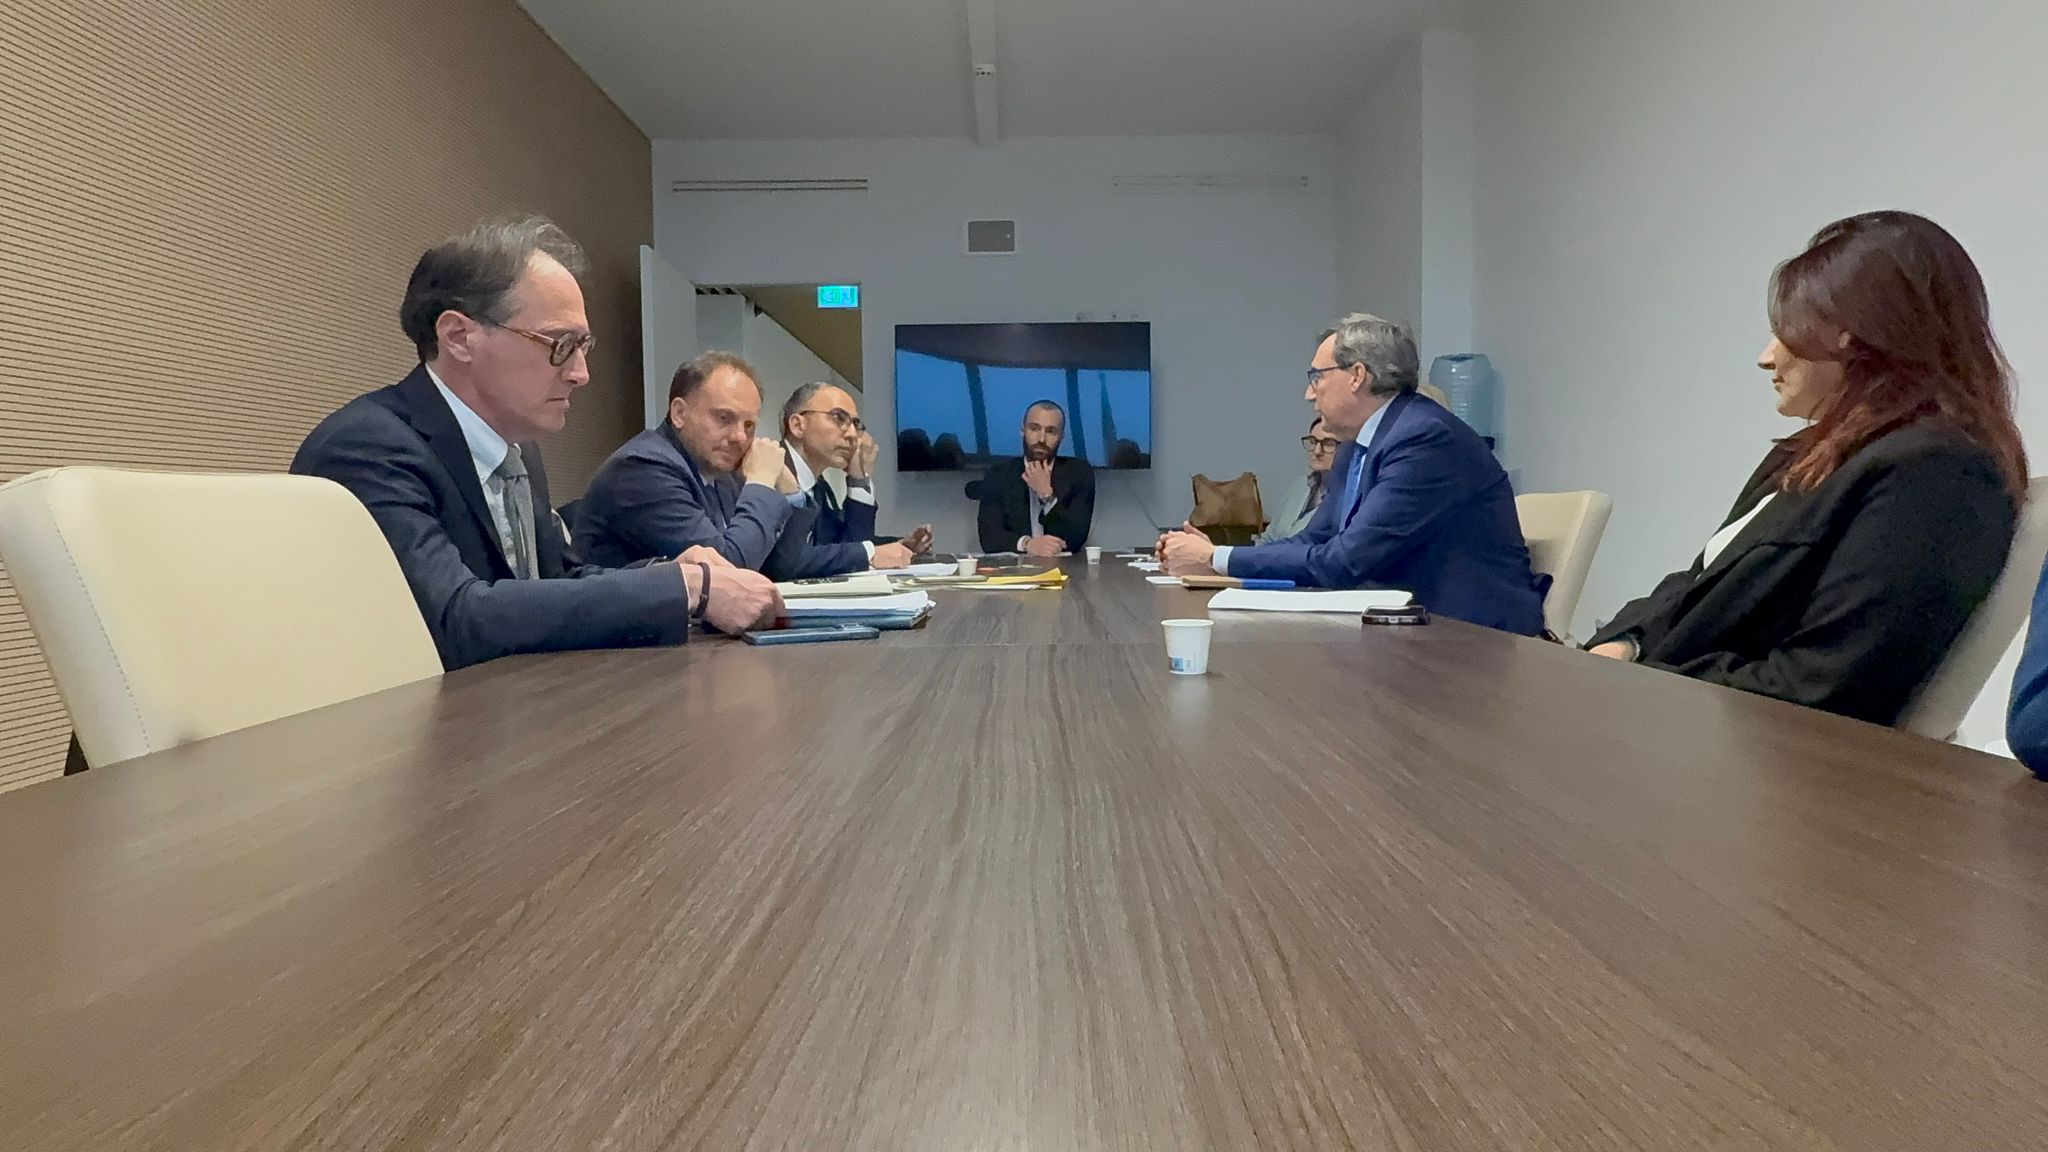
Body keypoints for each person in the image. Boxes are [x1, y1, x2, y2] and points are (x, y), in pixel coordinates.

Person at [1586, 211, 2025, 726]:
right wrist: (1627, 644)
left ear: (1857, 338)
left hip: (1750, 751)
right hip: (1689, 722)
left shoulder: (1937, 473)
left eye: (1789, 332)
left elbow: (1824, 686)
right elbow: (1695, 584)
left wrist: (1644, 678)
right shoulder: (1809, 456)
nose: (1766, 357)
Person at [292, 216, 781, 670]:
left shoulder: (518, 450)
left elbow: (557, 582)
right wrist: (685, 589)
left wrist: (668, 572)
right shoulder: (368, 447)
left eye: (583, 347)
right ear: (459, 337)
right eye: (559, 345)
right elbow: (454, 617)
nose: (581, 373)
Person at [1158, 315, 1547, 635]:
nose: (1310, 394)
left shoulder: (1424, 438)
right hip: (1403, 626)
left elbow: (1345, 561)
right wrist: (1220, 559)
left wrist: (1217, 557)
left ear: (1357, 375)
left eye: (1317, 377)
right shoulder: (1360, 443)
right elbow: (1315, 538)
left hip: (1471, 638)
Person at [574, 352, 797, 571]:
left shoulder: (721, 474)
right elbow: (726, 570)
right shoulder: (642, 469)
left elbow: (782, 565)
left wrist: (791, 493)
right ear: (679, 413)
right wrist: (761, 482)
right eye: (723, 418)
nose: (739, 436)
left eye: (749, 425)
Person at [778, 381, 932, 576]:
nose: (852, 434)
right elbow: (783, 562)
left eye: (855, 424)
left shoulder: (819, 486)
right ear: (798, 425)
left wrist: (858, 479)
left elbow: (840, 548)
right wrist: (870, 554)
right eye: (838, 418)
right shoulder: (770, 473)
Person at [976, 400, 1095, 555]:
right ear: (1023, 431)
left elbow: (1075, 538)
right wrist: (1028, 544)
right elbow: (989, 538)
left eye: (1051, 431)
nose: (1041, 439)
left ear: (1061, 437)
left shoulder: (1079, 473)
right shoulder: (998, 475)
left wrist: (1047, 496)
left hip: (1063, 565)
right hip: (1015, 567)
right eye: (1034, 428)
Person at [1254, 416, 1339, 543]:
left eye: (1328, 444)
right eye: (1313, 442)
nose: (1317, 451)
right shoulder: (1300, 485)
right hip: (1270, 554)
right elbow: (1268, 537)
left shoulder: (1345, 497)